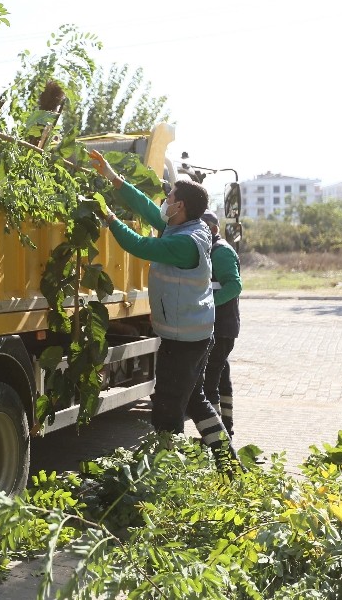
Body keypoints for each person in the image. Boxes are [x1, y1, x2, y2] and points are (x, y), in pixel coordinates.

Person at [88, 150, 231, 456]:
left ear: (179, 206)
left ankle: (166, 468)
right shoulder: (188, 226)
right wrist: (113, 178)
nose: (165, 200)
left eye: (170, 196)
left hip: (184, 340)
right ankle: (228, 464)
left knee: (167, 406)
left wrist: (109, 218)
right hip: (193, 334)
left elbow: (138, 244)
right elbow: (146, 209)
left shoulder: (183, 241)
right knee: (194, 400)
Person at [200, 209, 242, 440]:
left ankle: (216, 439)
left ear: (214, 229)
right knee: (221, 377)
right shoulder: (209, 249)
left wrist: (206, 304)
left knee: (209, 382)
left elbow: (234, 286)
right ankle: (226, 429)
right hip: (219, 326)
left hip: (221, 328)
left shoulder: (221, 252)